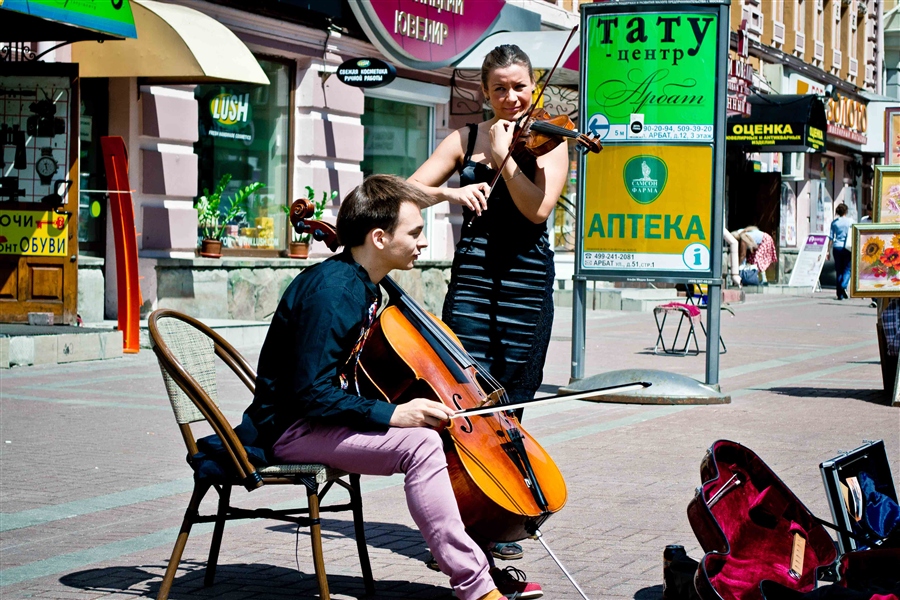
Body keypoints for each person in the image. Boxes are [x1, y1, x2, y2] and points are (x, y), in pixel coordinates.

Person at [243, 175, 538, 600]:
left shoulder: (360, 285)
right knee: (419, 446)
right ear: (379, 238)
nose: (422, 243)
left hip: (311, 420)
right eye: (415, 233)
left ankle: (482, 566)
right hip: (289, 429)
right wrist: (395, 414)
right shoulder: (335, 292)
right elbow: (311, 392)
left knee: (436, 435)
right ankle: (476, 587)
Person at [408, 44, 568, 566]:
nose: (512, 97)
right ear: (485, 91)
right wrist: (450, 197)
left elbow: (537, 209)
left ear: (533, 82)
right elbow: (404, 192)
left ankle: (501, 521)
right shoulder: (464, 138)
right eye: (499, 88)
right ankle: (457, 526)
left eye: (519, 85)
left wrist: (502, 159)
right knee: (462, 411)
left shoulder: (551, 141)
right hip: (473, 285)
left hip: (525, 288)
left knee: (510, 410)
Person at [829, 202, 854, 300]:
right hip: (848, 247)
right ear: (846, 211)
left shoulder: (834, 223)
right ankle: (843, 286)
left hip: (836, 247)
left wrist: (828, 250)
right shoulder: (850, 221)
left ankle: (839, 294)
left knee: (838, 270)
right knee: (847, 269)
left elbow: (831, 237)